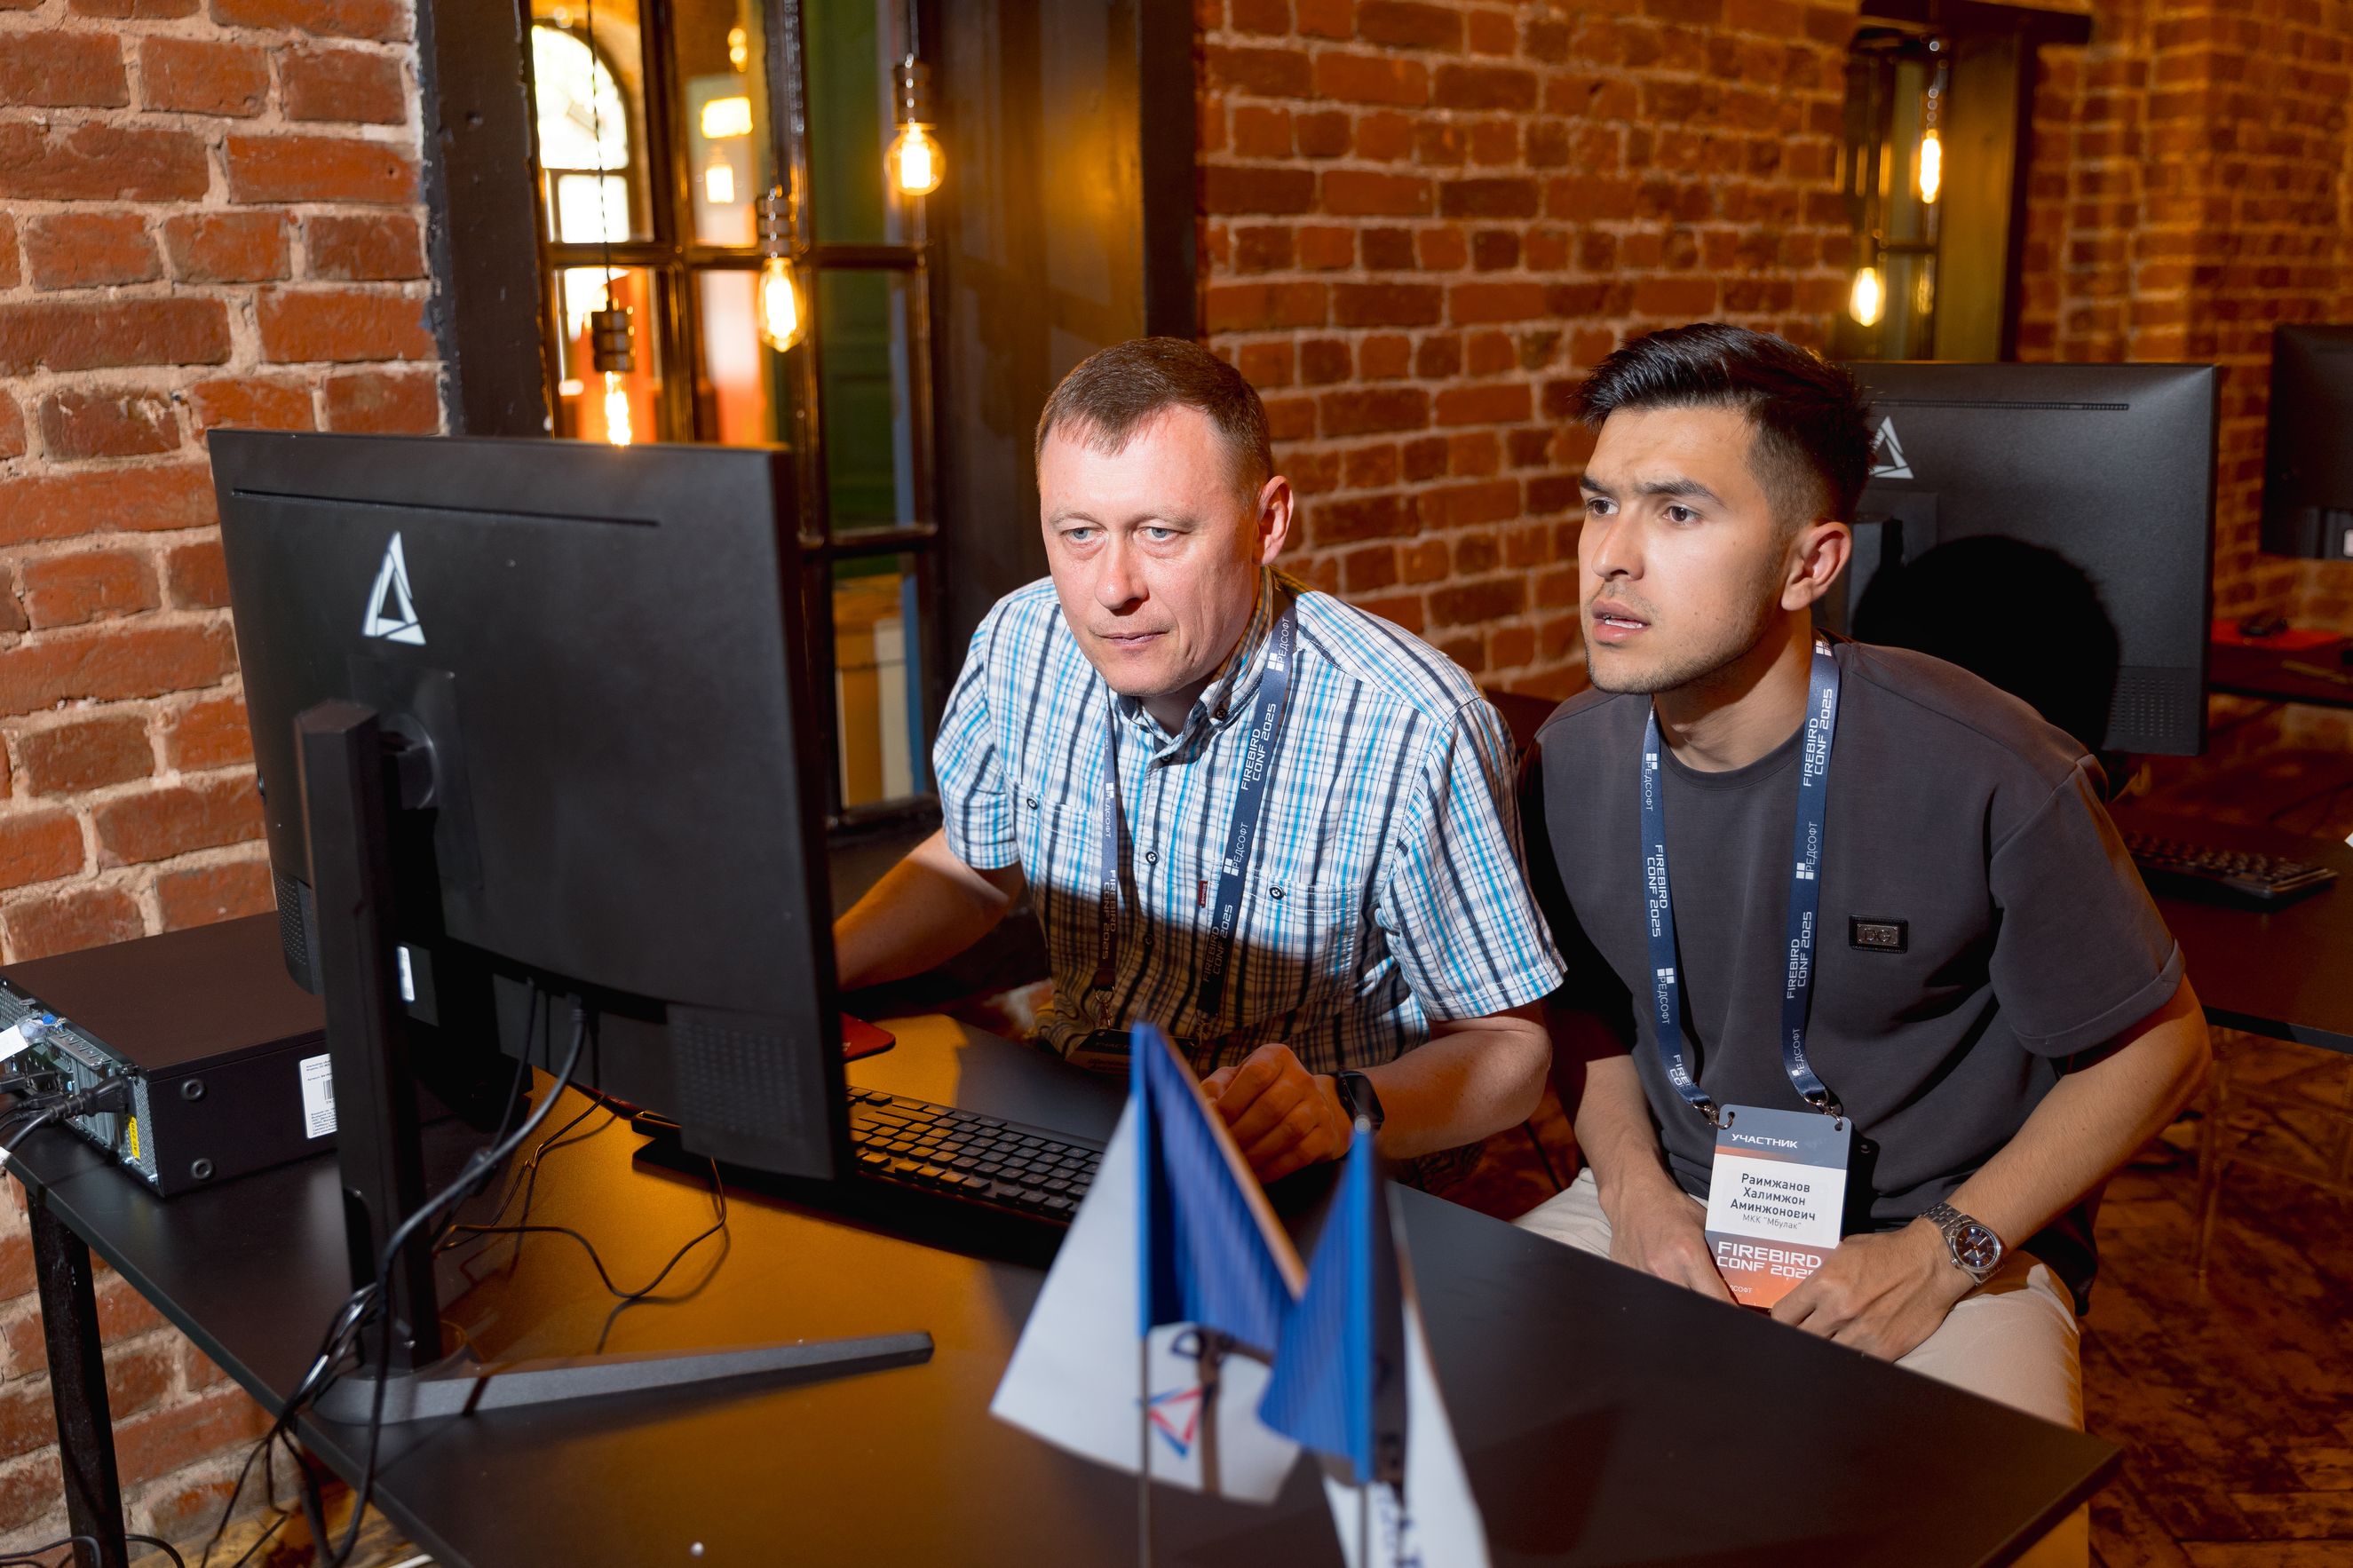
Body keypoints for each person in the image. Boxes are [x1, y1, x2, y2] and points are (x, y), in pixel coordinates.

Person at [1515, 324, 2210, 1565]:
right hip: (1666, 1201)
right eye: (1599, 504)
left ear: (1809, 561)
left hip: (1948, 1239)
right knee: (1397, 1439)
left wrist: (1940, 1255)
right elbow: (1586, 1012)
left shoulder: (1991, 764)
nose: (1610, 556)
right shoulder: (1569, 757)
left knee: (2001, 1543)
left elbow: (2160, 1050)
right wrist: (1631, 1190)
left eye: (1677, 511)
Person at [836, 337, 1564, 1181]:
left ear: (1267, 523)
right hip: (1077, 1115)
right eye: (1079, 533)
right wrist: (810, 973)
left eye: (1160, 532)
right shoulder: (1018, 641)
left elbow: (1511, 1051)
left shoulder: (1413, 726)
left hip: (1309, 1178)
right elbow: (974, 871)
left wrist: (1344, 1109)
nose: (1114, 587)